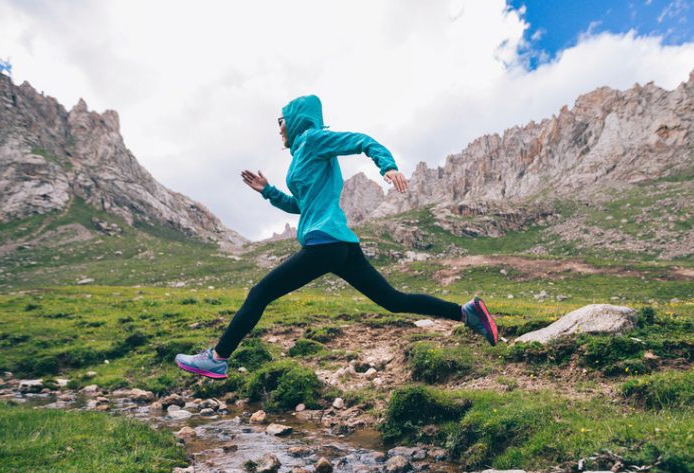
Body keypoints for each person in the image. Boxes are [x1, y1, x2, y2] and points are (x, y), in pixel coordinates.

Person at [175, 94, 497, 379]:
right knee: (393, 300)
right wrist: (268, 191)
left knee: (260, 293)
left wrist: (387, 166)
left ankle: (217, 358)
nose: (279, 128)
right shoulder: (302, 155)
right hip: (340, 244)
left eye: (280, 121)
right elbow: (300, 205)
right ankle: (465, 312)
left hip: (325, 243)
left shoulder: (314, 140)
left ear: (296, 119)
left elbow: (362, 140)